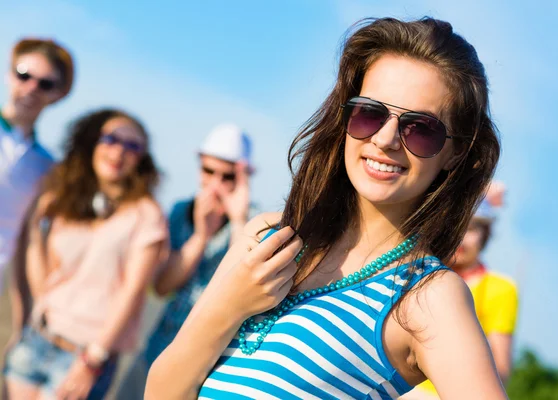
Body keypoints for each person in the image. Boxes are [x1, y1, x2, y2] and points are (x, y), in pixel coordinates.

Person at [146, 17, 507, 400]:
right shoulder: (266, 236)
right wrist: (229, 306)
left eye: (420, 128)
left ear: (454, 152)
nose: (385, 139)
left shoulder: (428, 296)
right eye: (370, 112)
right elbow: (160, 392)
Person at [3, 109, 168, 400]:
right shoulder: (69, 202)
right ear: (93, 143)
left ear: (142, 158)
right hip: (37, 338)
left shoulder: (147, 215)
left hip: (84, 357)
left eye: (132, 146)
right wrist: (34, 227)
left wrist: (93, 360)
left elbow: (133, 291)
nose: (119, 151)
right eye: (111, 139)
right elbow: (47, 277)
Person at [116, 123, 256, 399]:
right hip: (156, 350)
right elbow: (162, 286)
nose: (215, 183)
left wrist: (238, 220)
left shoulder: (252, 222)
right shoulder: (181, 212)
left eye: (227, 176)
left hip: (202, 371)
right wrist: (201, 237)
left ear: (243, 177)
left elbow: (243, 279)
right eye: (208, 171)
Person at [407, 182, 519, 399]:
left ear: (485, 234)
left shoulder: (500, 288)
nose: (461, 237)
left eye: (472, 228)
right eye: (455, 226)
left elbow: (501, 368)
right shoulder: (415, 273)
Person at [0, 38, 74, 292]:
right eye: (24, 75)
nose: (31, 88)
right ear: (10, 74)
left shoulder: (46, 166)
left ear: (58, 94)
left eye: (45, 84)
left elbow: (27, 239)